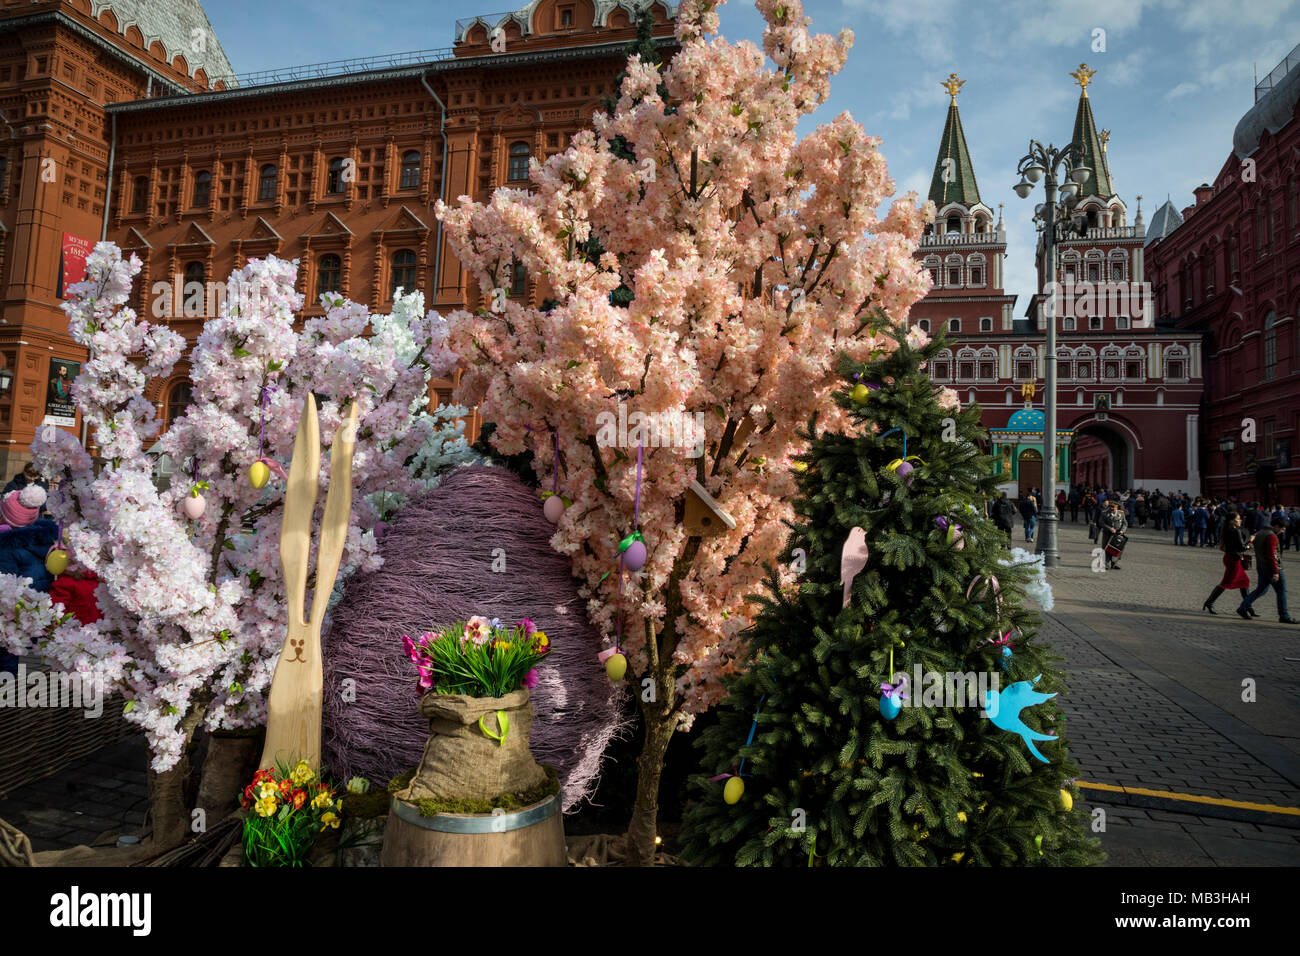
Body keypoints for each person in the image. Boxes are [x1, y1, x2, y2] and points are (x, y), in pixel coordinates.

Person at [1238, 517, 1296, 623]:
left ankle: (1243, 607)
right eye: (1282, 528)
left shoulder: (1261, 532)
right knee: (1281, 591)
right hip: (1272, 567)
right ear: (1277, 526)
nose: (1283, 531)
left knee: (1261, 589)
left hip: (1261, 566)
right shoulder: (1271, 536)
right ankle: (1284, 615)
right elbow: (1271, 555)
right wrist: (1276, 572)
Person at [1203, 509, 1254, 615]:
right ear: (1232, 521)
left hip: (1229, 557)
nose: (1240, 521)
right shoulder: (1236, 531)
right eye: (1238, 519)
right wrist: (1250, 542)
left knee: (1244, 582)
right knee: (1226, 583)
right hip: (1234, 559)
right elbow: (1242, 547)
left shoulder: (1227, 530)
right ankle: (1209, 602)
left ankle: (1247, 606)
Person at [1100, 500, 1127, 570]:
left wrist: (1122, 530)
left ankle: (1114, 563)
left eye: (1113, 507)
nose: (1112, 509)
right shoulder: (1105, 513)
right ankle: (1105, 563)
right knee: (1107, 548)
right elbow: (1101, 523)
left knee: (1117, 549)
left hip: (1118, 534)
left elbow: (1125, 524)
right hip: (1108, 534)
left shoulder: (1122, 513)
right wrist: (1110, 528)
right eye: (1111, 507)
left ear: (1117, 508)